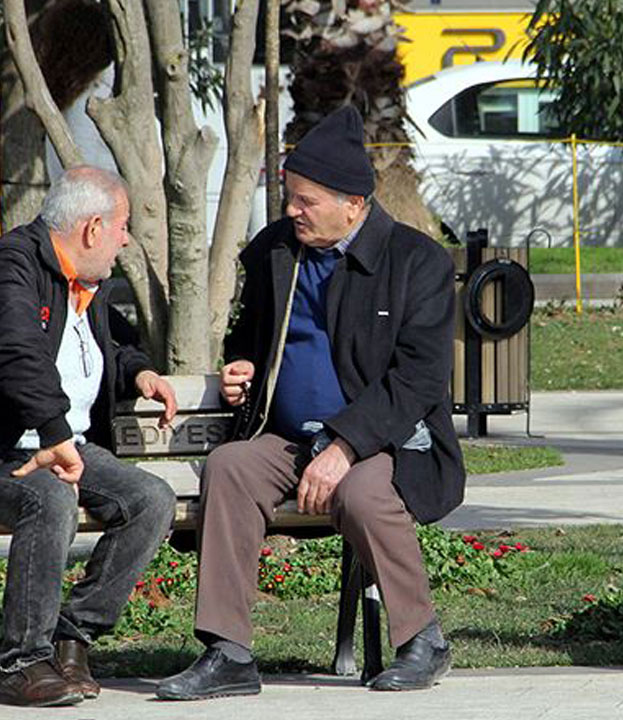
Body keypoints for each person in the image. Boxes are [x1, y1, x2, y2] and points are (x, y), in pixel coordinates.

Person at [155, 105, 465, 700]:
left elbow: (418, 379)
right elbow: (250, 334)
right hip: (288, 439)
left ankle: (423, 640)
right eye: (290, 197)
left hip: (382, 443)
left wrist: (344, 446)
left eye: (306, 200)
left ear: (353, 204)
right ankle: (228, 652)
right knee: (230, 467)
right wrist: (242, 365)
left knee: (362, 492)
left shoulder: (416, 262)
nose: (292, 210)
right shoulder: (276, 251)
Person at [0, 166, 179, 707]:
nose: (126, 240)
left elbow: (104, 345)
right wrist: (55, 435)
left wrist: (137, 373)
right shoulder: (9, 268)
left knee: (151, 500)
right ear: (93, 228)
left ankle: (71, 639)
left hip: (58, 446)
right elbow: (18, 353)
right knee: (49, 499)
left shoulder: (83, 283)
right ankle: (22, 664)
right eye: (123, 226)